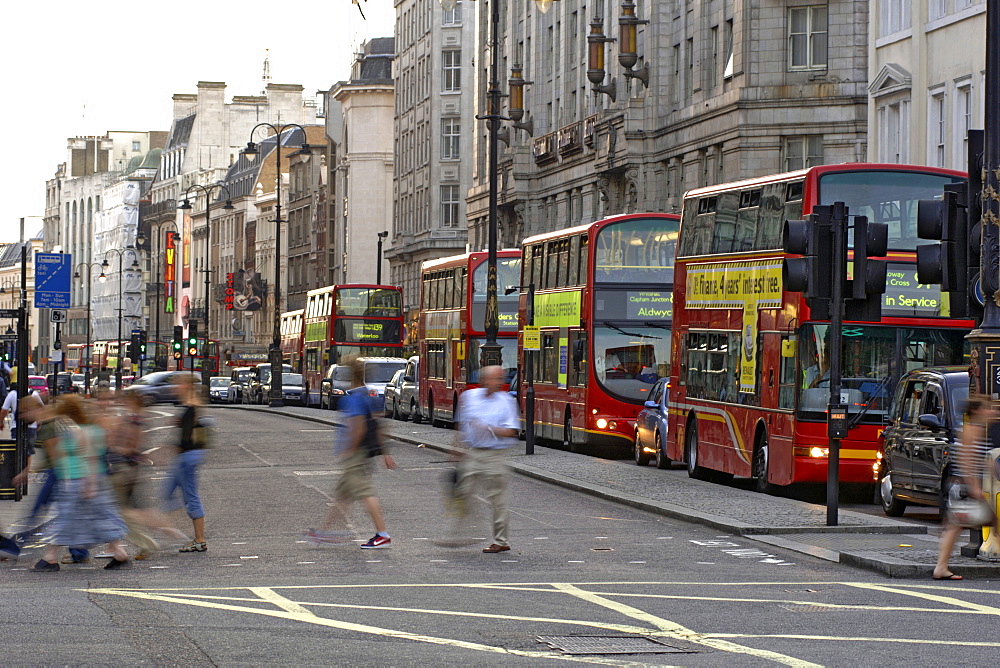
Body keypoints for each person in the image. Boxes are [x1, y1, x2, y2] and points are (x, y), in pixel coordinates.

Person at [304, 357, 397, 548]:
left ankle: (382, 535)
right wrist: (385, 452)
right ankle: (324, 532)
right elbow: (379, 425)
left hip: (356, 455)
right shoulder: (367, 394)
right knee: (342, 495)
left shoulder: (354, 398)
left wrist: (349, 450)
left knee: (365, 493)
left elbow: (359, 428)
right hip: (360, 454)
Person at [31, 394, 130, 572]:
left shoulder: (80, 432)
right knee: (101, 519)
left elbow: (91, 457)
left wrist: (90, 485)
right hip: (88, 480)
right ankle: (120, 553)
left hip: (79, 481)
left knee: (65, 519)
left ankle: (50, 557)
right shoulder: (88, 429)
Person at [453, 365, 520, 554]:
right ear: (484, 380)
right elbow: (461, 424)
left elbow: (512, 432)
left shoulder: (506, 401)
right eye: (495, 379)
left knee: (498, 500)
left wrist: (490, 428)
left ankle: (501, 541)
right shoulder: (469, 397)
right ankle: (458, 533)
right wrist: (456, 448)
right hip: (473, 453)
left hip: (494, 455)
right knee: (461, 493)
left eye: (500, 379)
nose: (499, 383)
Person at [934, 395, 1000, 580]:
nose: (993, 411)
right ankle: (940, 567)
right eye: (989, 408)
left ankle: (941, 567)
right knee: (958, 526)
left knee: (954, 527)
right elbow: (966, 460)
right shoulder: (971, 430)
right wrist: (974, 487)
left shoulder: (977, 429)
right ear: (977, 410)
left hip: (967, 487)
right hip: (966, 488)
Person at [163, 374, 209, 553]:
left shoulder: (193, 404)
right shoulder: (191, 404)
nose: (175, 388)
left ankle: (199, 539)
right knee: (167, 492)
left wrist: (172, 448)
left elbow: (189, 437)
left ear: (187, 386)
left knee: (190, 497)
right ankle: (171, 532)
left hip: (188, 457)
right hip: (186, 456)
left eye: (178, 384)